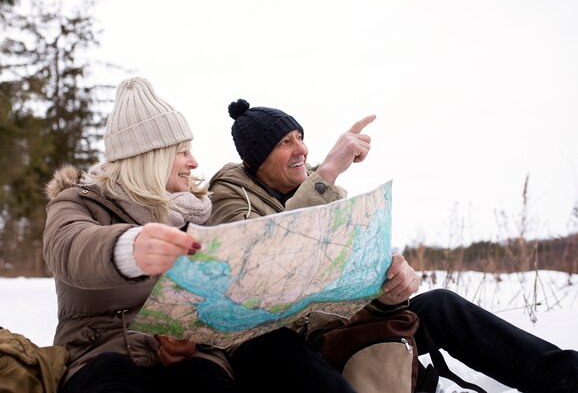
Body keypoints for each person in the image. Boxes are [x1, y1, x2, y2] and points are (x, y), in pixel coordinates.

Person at [206, 98, 578, 393]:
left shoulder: (322, 193)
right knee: (281, 351)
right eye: (285, 142)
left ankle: (567, 378)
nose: (300, 148)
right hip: (282, 340)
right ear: (255, 159)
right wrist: (329, 171)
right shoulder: (229, 195)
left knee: (440, 306)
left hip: (339, 325)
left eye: (300, 136)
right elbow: (257, 257)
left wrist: (389, 282)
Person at [42, 78, 356, 393]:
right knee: (110, 377)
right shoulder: (78, 202)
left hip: (196, 358)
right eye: (182, 153)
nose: (193, 163)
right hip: (102, 357)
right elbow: (68, 248)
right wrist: (129, 248)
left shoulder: (199, 215)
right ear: (150, 157)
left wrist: (192, 342)